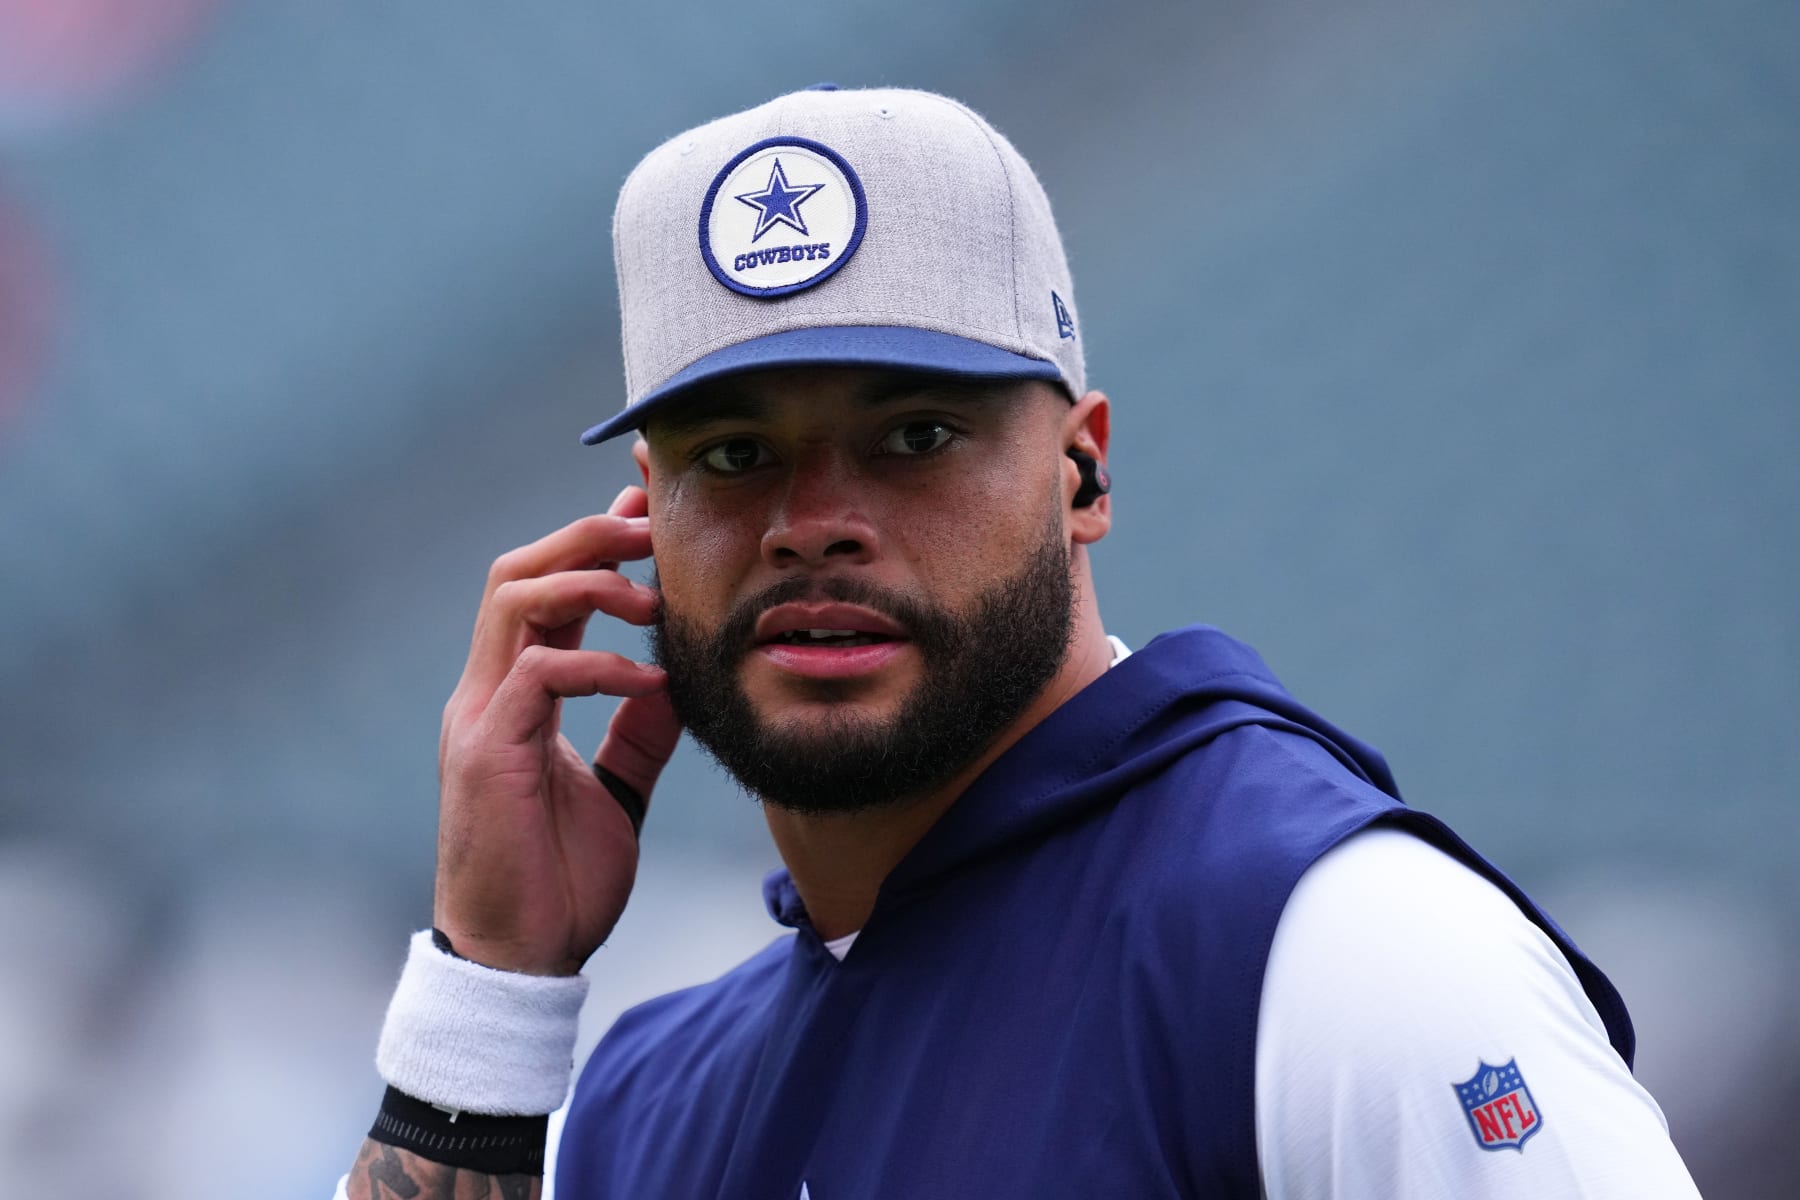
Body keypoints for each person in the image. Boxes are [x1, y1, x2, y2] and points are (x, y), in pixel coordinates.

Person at [339, 86, 1702, 1199]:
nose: (814, 525)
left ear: (1083, 475)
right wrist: (489, 998)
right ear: (645, 516)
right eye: (737, 454)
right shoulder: (647, 1107)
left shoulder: (1340, 952)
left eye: (915, 435)